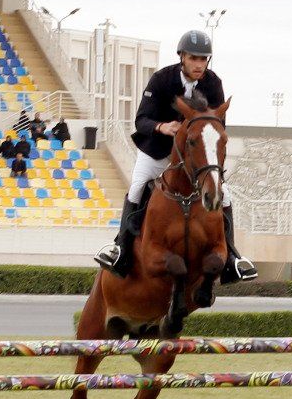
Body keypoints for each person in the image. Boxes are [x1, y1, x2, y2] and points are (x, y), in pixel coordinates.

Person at [94, 29, 257, 282]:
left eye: (203, 59)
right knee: (137, 187)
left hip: (194, 160)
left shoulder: (213, 84)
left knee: (225, 196)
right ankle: (120, 249)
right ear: (182, 57)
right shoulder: (161, 80)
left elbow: (217, 125)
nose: (199, 64)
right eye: (194, 58)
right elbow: (141, 120)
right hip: (158, 151)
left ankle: (233, 257)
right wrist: (162, 127)